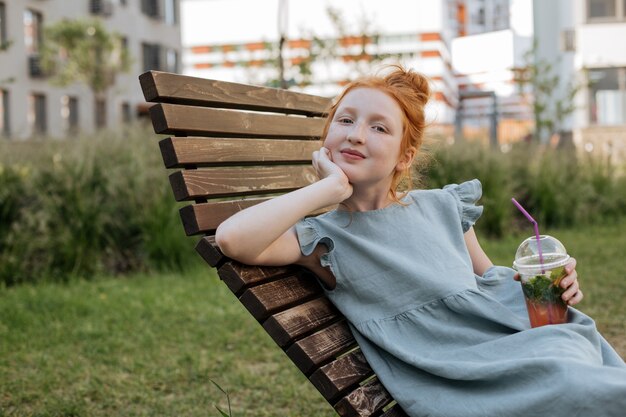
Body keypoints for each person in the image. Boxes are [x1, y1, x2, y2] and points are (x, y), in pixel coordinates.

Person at [215, 65, 626, 416]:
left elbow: (492, 279)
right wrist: (326, 191)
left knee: (578, 356)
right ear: (326, 137)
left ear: (404, 157)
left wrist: (548, 283)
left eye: (378, 127)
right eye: (345, 121)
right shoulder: (325, 240)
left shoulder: (443, 206)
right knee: (574, 380)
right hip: (463, 374)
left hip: (516, 339)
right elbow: (232, 239)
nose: (357, 135)